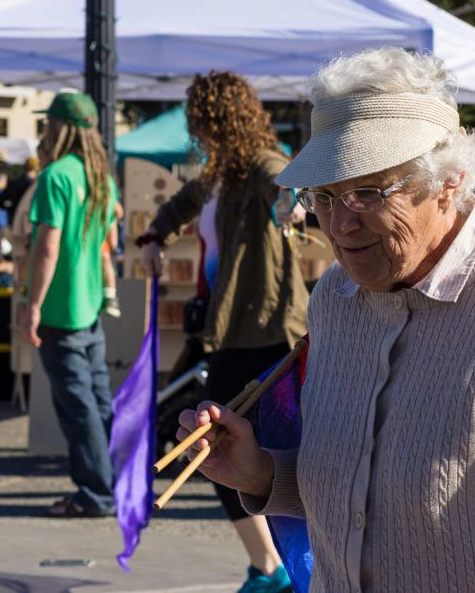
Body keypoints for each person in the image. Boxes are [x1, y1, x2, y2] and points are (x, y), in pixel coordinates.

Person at [176, 48, 475, 590]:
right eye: (324, 197)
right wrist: (262, 472)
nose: (340, 223)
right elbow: (360, 491)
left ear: (449, 181)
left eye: (368, 193)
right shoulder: (335, 298)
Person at [140, 71, 308, 593]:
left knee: (239, 454)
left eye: (203, 124)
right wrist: (153, 235)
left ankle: (276, 570)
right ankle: (270, 567)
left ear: (219, 121)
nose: (199, 134)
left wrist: (293, 205)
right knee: (220, 454)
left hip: (269, 334)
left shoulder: (260, 165)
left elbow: (283, 183)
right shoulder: (220, 176)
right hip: (234, 333)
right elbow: (181, 203)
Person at [19, 91, 119, 518]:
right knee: (97, 404)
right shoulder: (100, 176)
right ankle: (112, 483)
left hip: (61, 309)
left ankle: (95, 494)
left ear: (56, 127)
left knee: (78, 409)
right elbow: (104, 247)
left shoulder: (55, 175)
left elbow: (47, 247)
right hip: (89, 305)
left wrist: (32, 305)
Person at [0, 156, 39, 225]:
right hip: (30, 221)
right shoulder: (35, 185)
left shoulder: (14, 183)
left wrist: (11, 208)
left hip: (15, 219)